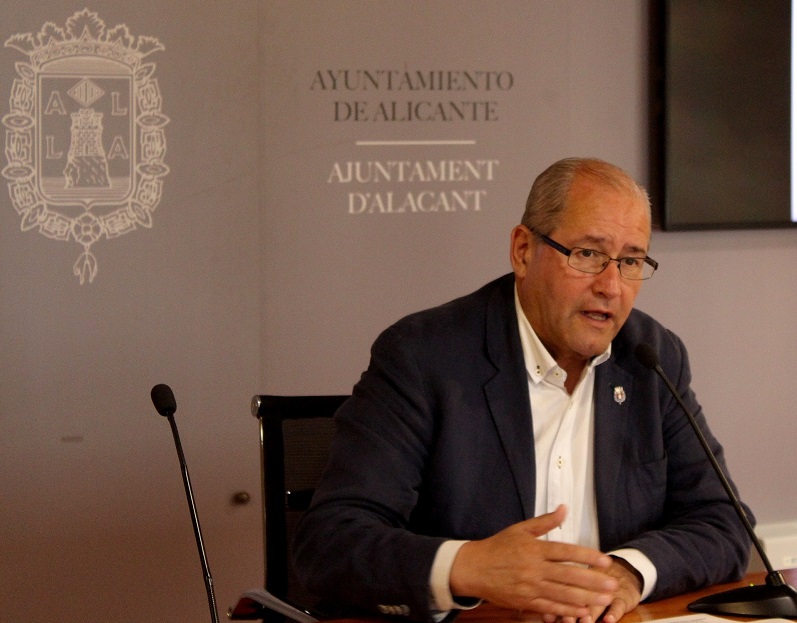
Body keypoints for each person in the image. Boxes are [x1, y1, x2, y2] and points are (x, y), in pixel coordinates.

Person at [293, 157, 752, 623]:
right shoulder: (424, 356)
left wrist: (628, 571)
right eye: (588, 254)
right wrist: (470, 567)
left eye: (631, 261)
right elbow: (330, 543)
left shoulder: (652, 357)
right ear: (523, 251)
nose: (611, 287)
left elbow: (724, 522)